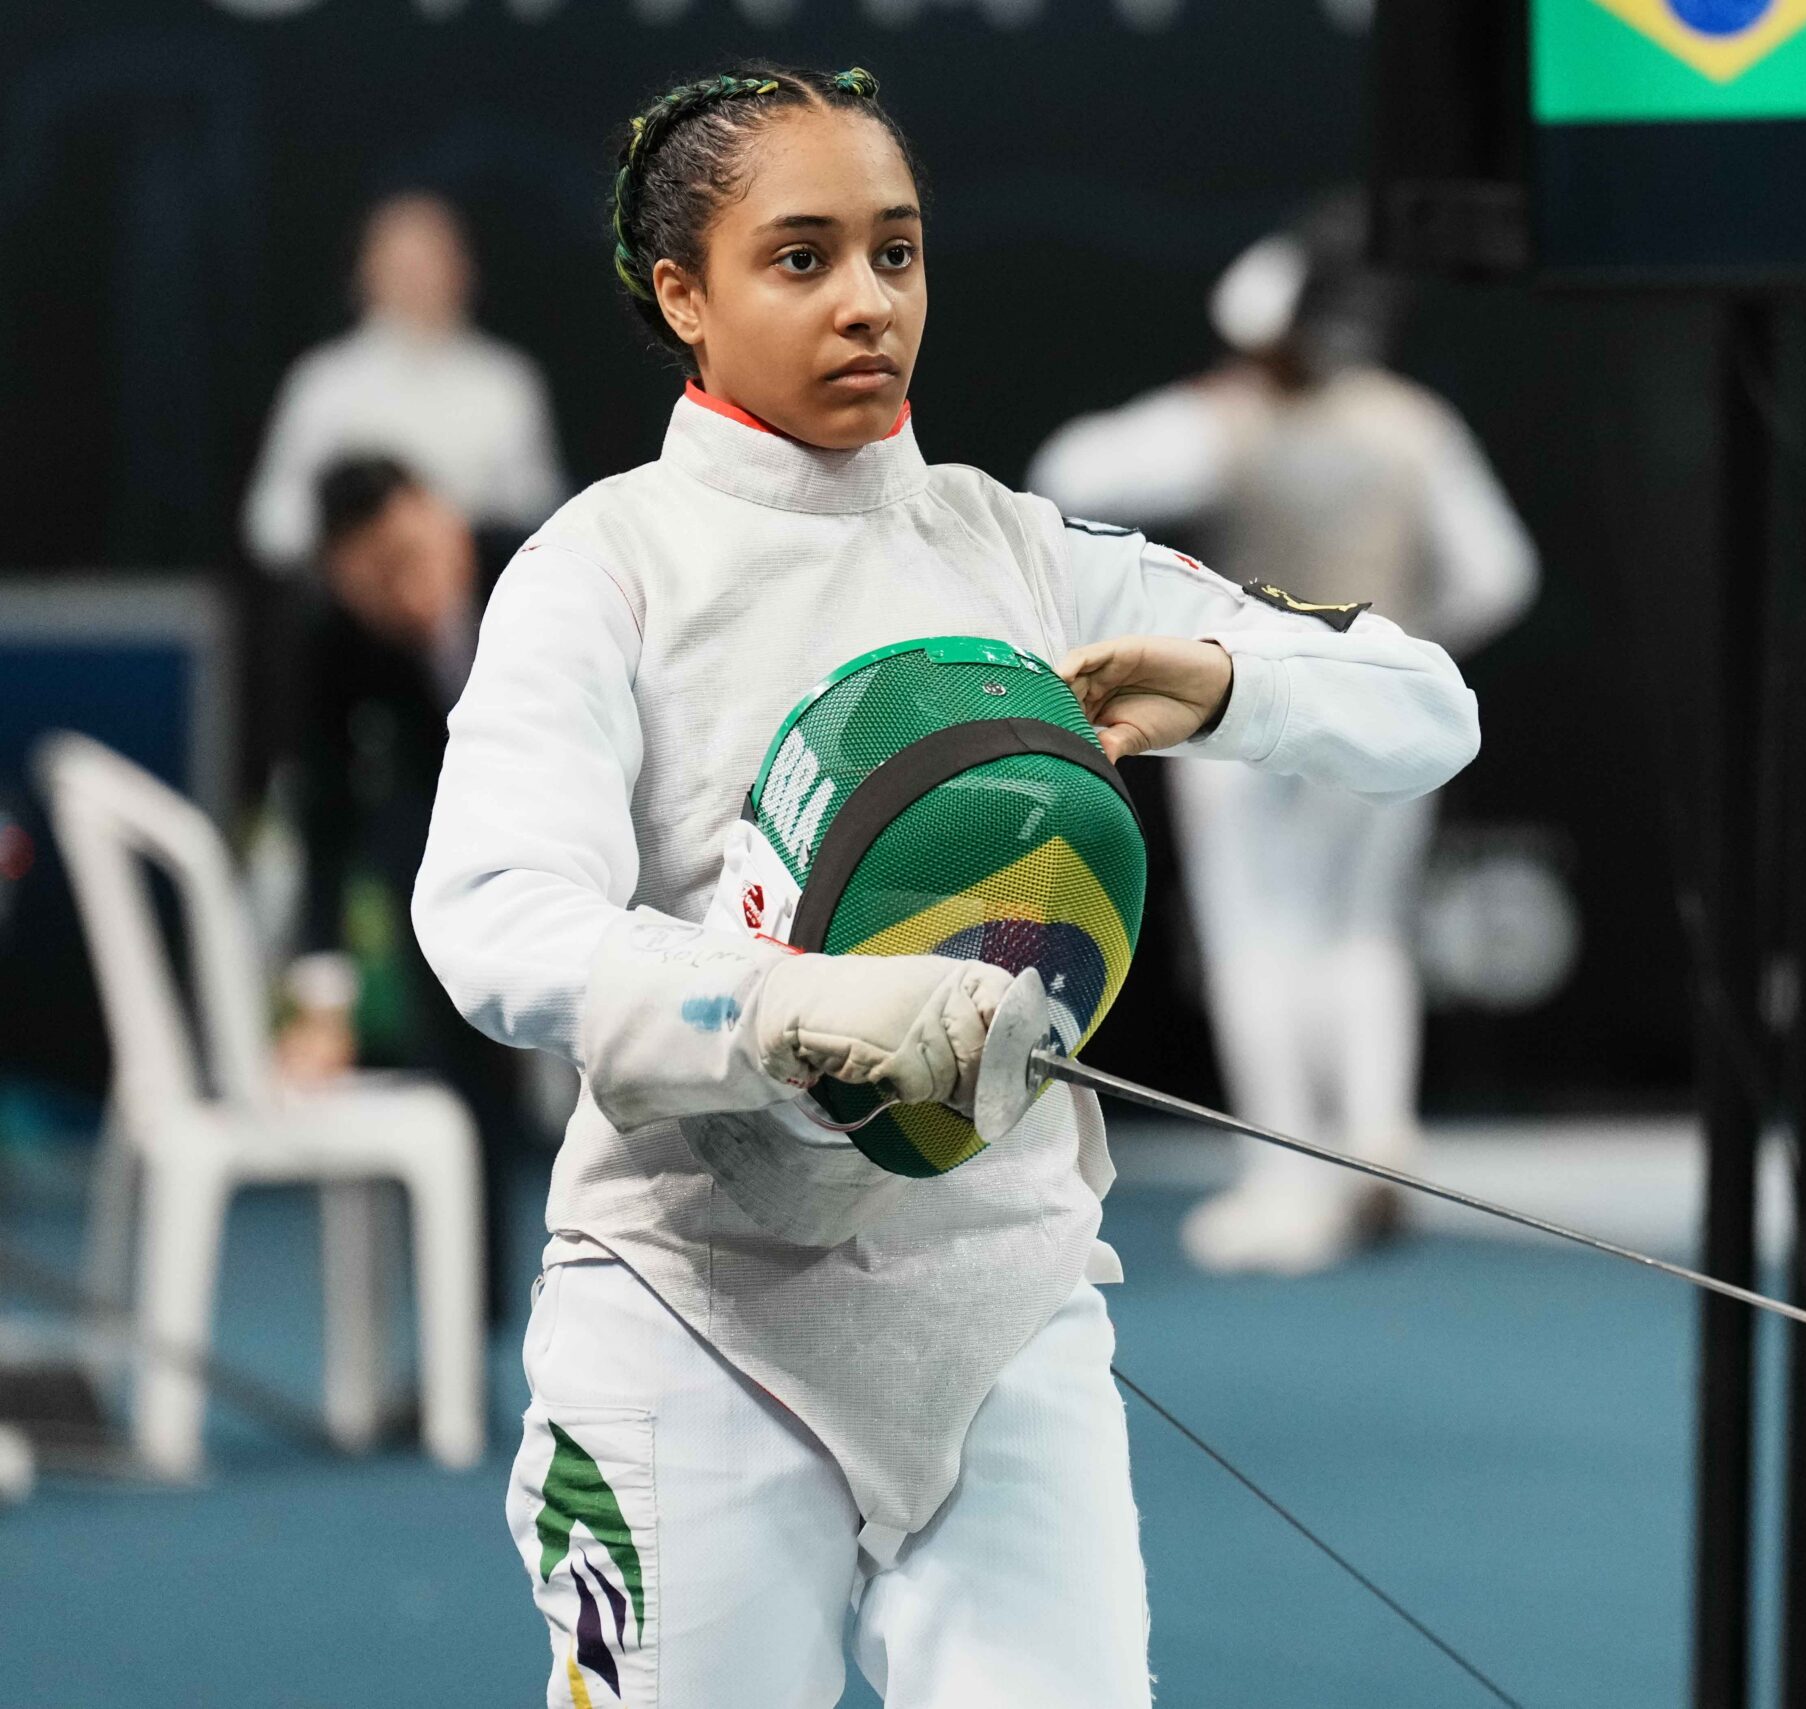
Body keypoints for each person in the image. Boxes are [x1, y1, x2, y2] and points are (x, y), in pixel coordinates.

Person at [408, 66, 1477, 1709]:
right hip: (695, 1321)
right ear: (679, 291)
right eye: (803, 257)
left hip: (1007, 1319)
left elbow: (1427, 706)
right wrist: (797, 1008)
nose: (866, 303)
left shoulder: (1025, 548)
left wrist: (1224, 683)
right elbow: (492, 915)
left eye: (896, 255)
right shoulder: (601, 566)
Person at [1029, 195, 1538, 1275]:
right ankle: (1374, 1140)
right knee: (1361, 930)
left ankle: (1289, 1175)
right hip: (1378, 714)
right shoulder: (1414, 424)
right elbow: (1499, 574)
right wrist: (1405, 650)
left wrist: (1203, 407)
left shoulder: (1221, 424)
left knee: (1263, 938)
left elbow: (1073, 471)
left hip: (1237, 708)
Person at [276, 454, 525, 1324]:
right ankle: (471, 1310)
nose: (404, 593)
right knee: (405, 854)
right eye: (374, 582)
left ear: (439, 510)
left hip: (604, 830)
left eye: (408, 556)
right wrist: (318, 996)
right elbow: (322, 818)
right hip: (468, 867)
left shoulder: (543, 564)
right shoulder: (337, 639)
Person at [241, 191, 565, 575]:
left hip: (477, 605)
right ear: (366, 272)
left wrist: (449, 536)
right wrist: (367, 539)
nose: (417, 280)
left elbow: (539, 513)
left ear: (462, 269)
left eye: (431, 262)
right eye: (401, 265)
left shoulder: (506, 383)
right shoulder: (323, 383)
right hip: (349, 612)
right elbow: (270, 523)